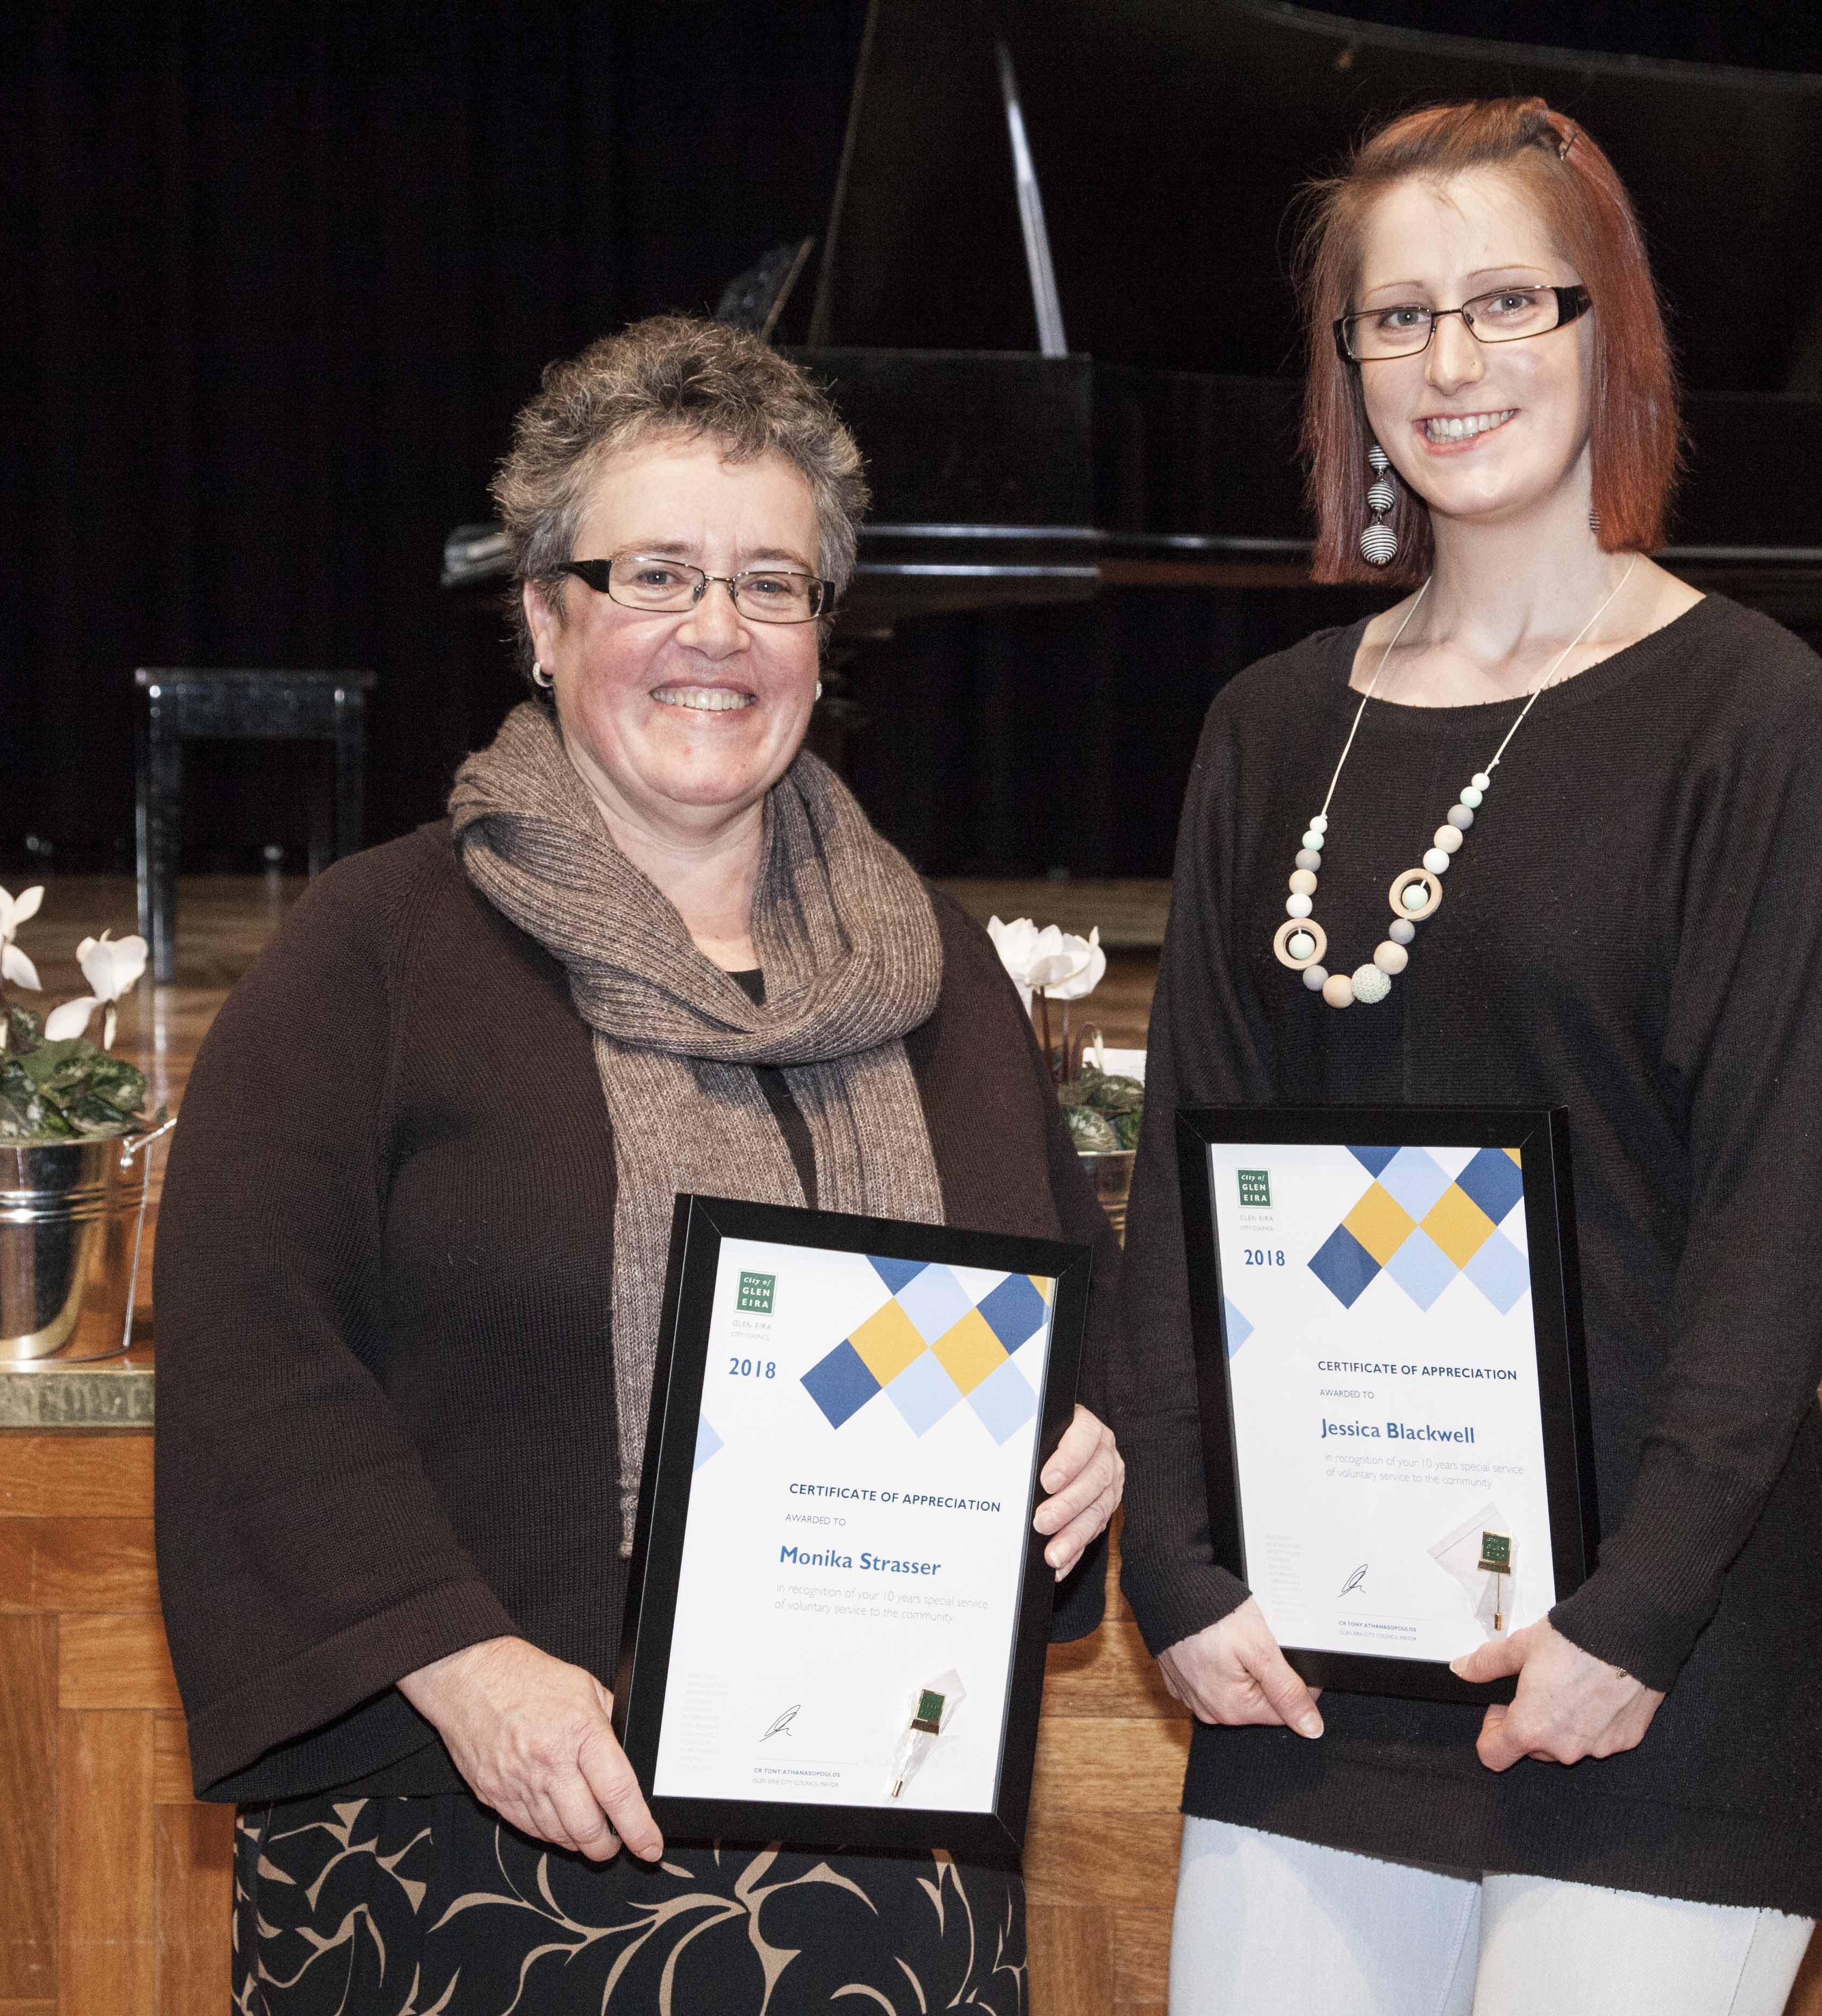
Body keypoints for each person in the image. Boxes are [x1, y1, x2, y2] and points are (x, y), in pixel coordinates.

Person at [152, 316, 1126, 2016]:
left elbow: (1062, 1315)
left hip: (887, 1884)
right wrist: (465, 1669)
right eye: (656, 573)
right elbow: (254, 1358)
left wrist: (1079, 1451)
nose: (716, 633)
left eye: (771, 584)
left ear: (826, 633)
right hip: (481, 1848)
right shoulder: (377, 951)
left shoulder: (943, 971)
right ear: (545, 615)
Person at [1113, 100, 1822, 2015]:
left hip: (1655, 1666)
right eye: (1396, 318)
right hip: (1316, 1663)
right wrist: (1176, 1555)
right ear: (1350, 371)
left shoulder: (1755, 725)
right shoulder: (1270, 728)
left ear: (1603, 330)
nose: (1450, 363)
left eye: (1504, 303)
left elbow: (1779, 1229)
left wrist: (1637, 1614)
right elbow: (1188, 1185)